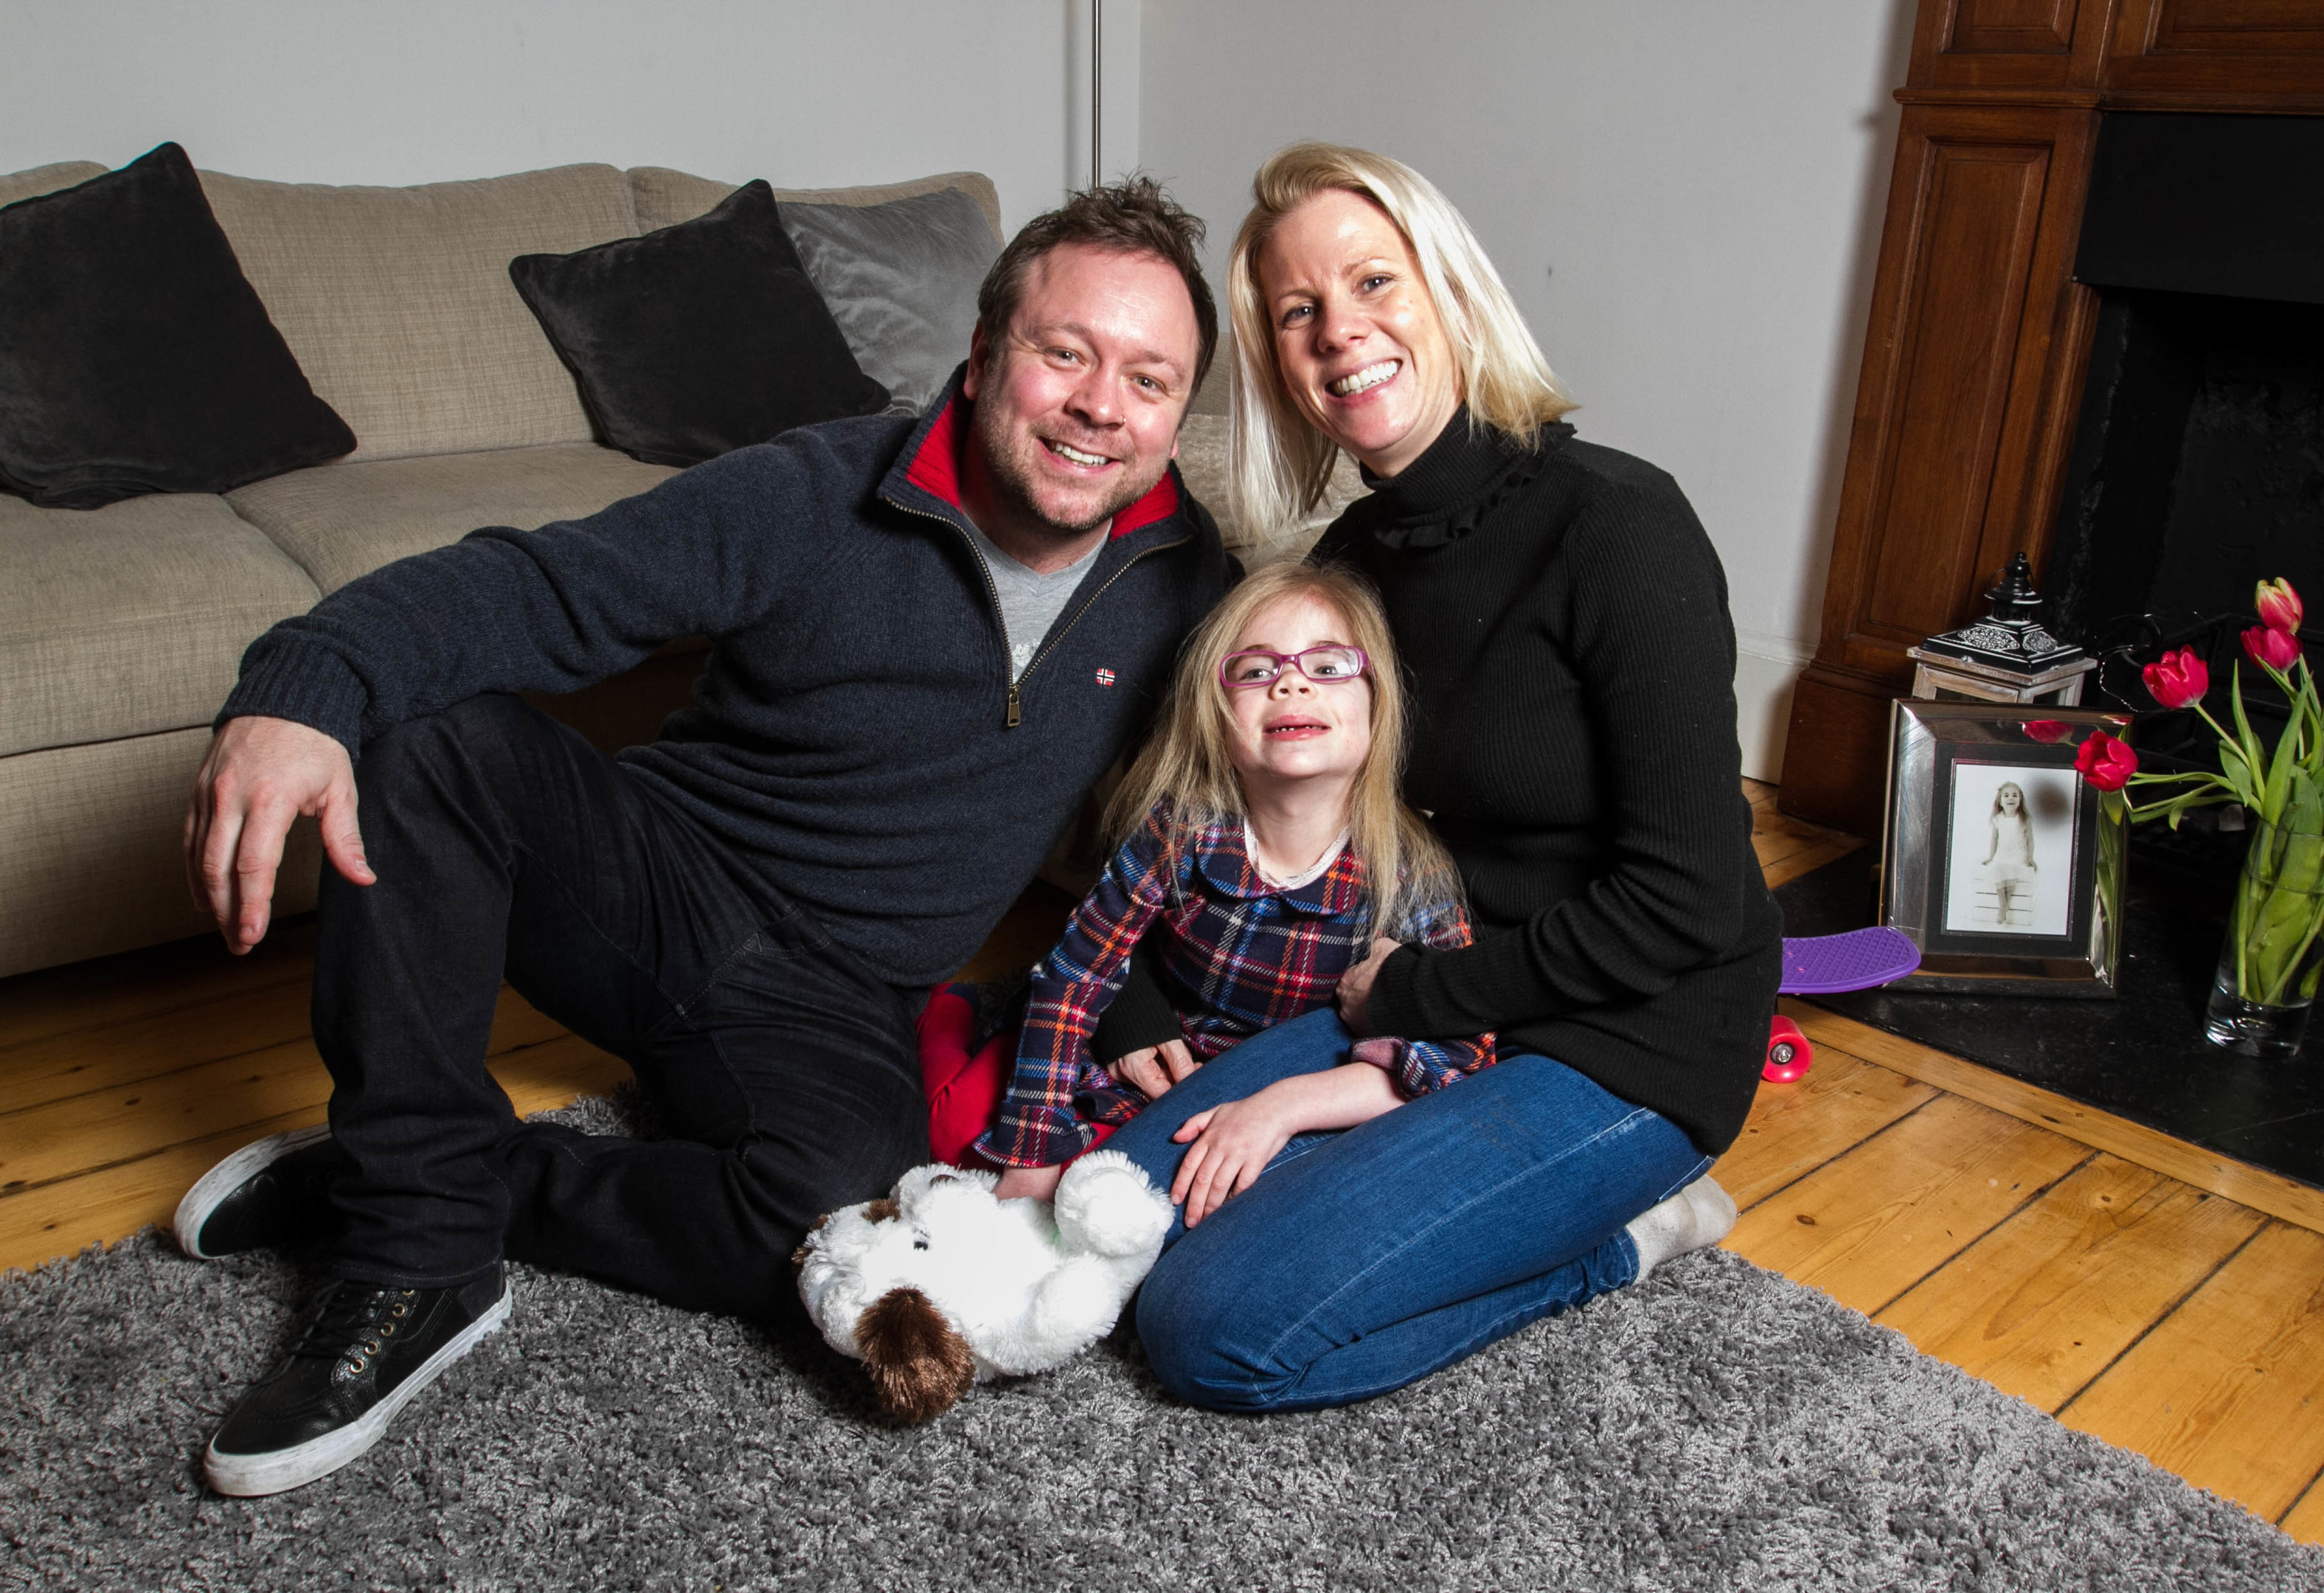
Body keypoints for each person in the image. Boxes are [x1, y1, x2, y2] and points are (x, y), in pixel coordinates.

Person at [170, 179, 1234, 1496]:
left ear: (1180, 411)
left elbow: (1180, 822)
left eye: (1147, 377)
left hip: (844, 994)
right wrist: (301, 686)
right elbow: (535, 584)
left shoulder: (1194, 584)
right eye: (1064, 352)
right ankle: (414, 1251)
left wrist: (1135, 999)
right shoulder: (816, 489)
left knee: (832, 1228)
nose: (1099, 406)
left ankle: (425, 1166)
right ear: (983, 354)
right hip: (661, 890)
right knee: (429, 740)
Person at [1087, 143, 1783, 1414]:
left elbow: (1687, 901)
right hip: (1435, 1003)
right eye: (1297, 313)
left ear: (1450, 291)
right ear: (1281, 368)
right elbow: (1233, 798)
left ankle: (1627, 1238)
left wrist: (1422, 990)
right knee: (1118, 1217)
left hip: (1629, 1036)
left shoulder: (1620, 526)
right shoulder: (1352, 559)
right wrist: (1127, 983)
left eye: (1371, 282)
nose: (1339, 332)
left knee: (1212, 1332)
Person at [970, 561, 1491, 1224]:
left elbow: (1463, 1055)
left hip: (1303, 1091)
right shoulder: (1179, 829)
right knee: (979, 1121)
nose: (1292, 682)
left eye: (1327, 666)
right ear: (1218, 719)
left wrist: (1288, 1105)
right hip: (1165, 1065)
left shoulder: (1411, 872)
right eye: (1255, 671)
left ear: (1377, 703)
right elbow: (1073, 977)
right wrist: (1032, 1160)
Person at [1979, 782, 2036, 927]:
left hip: (2018, 853)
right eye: (2006, 795)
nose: (2011, 798)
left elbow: (2030, 839)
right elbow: (1994, 839)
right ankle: (2003, 904)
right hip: (2002, 853)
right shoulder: (1998, 819)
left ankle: (2004, 907)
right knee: (1998, 868)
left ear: (2020, 800)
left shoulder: (2024, 819)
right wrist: (1991, 857)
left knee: (2012, 869)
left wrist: (2030, 858)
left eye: (2015, 795)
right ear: (2000, 801)